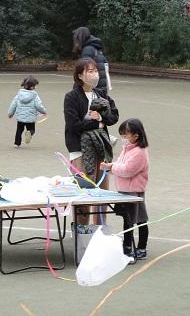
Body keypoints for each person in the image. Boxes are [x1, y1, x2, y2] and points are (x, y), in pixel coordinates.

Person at [64, 57, 119, 224]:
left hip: (101, 149)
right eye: (90, 71)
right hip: (80, 149)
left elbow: (114, 116)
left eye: (95, 70)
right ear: (80, 75)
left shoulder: (101, 94)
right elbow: (73, 125)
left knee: (102, 190)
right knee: (84, 191)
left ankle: (100, 228)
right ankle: (81, 229)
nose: (95, 74)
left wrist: (102, 118)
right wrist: (96, 123)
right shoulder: (72, 97)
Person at [100, 118, 150, 260]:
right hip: (124, 190)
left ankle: (141, 247)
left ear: (136, 135)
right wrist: (110, 166)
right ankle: (127, 245)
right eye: (122, 135)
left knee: (140, 219)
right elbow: (121, 165)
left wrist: (112, 167)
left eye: (126, 135)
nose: (123, 138)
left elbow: (128, 170)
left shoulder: (140, 152)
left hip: (134, 192)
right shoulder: (127, 149)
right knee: (127, 219)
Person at [8, 75, 47, 148]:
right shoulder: (35, 96)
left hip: (20, 117)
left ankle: (17, 143)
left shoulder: (18, 95)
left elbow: (13, 105)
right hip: (30, 117)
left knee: (19, 130)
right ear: (33, 86)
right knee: (32, 129)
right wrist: (43, 111)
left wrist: (10, 114)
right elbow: (38, 105)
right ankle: (29, 132)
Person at [72, 26, 109, 94]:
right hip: (101, 87)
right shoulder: (97, 49)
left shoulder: (87, 50)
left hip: (93, 87)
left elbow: (83, 71)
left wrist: (76, 90)